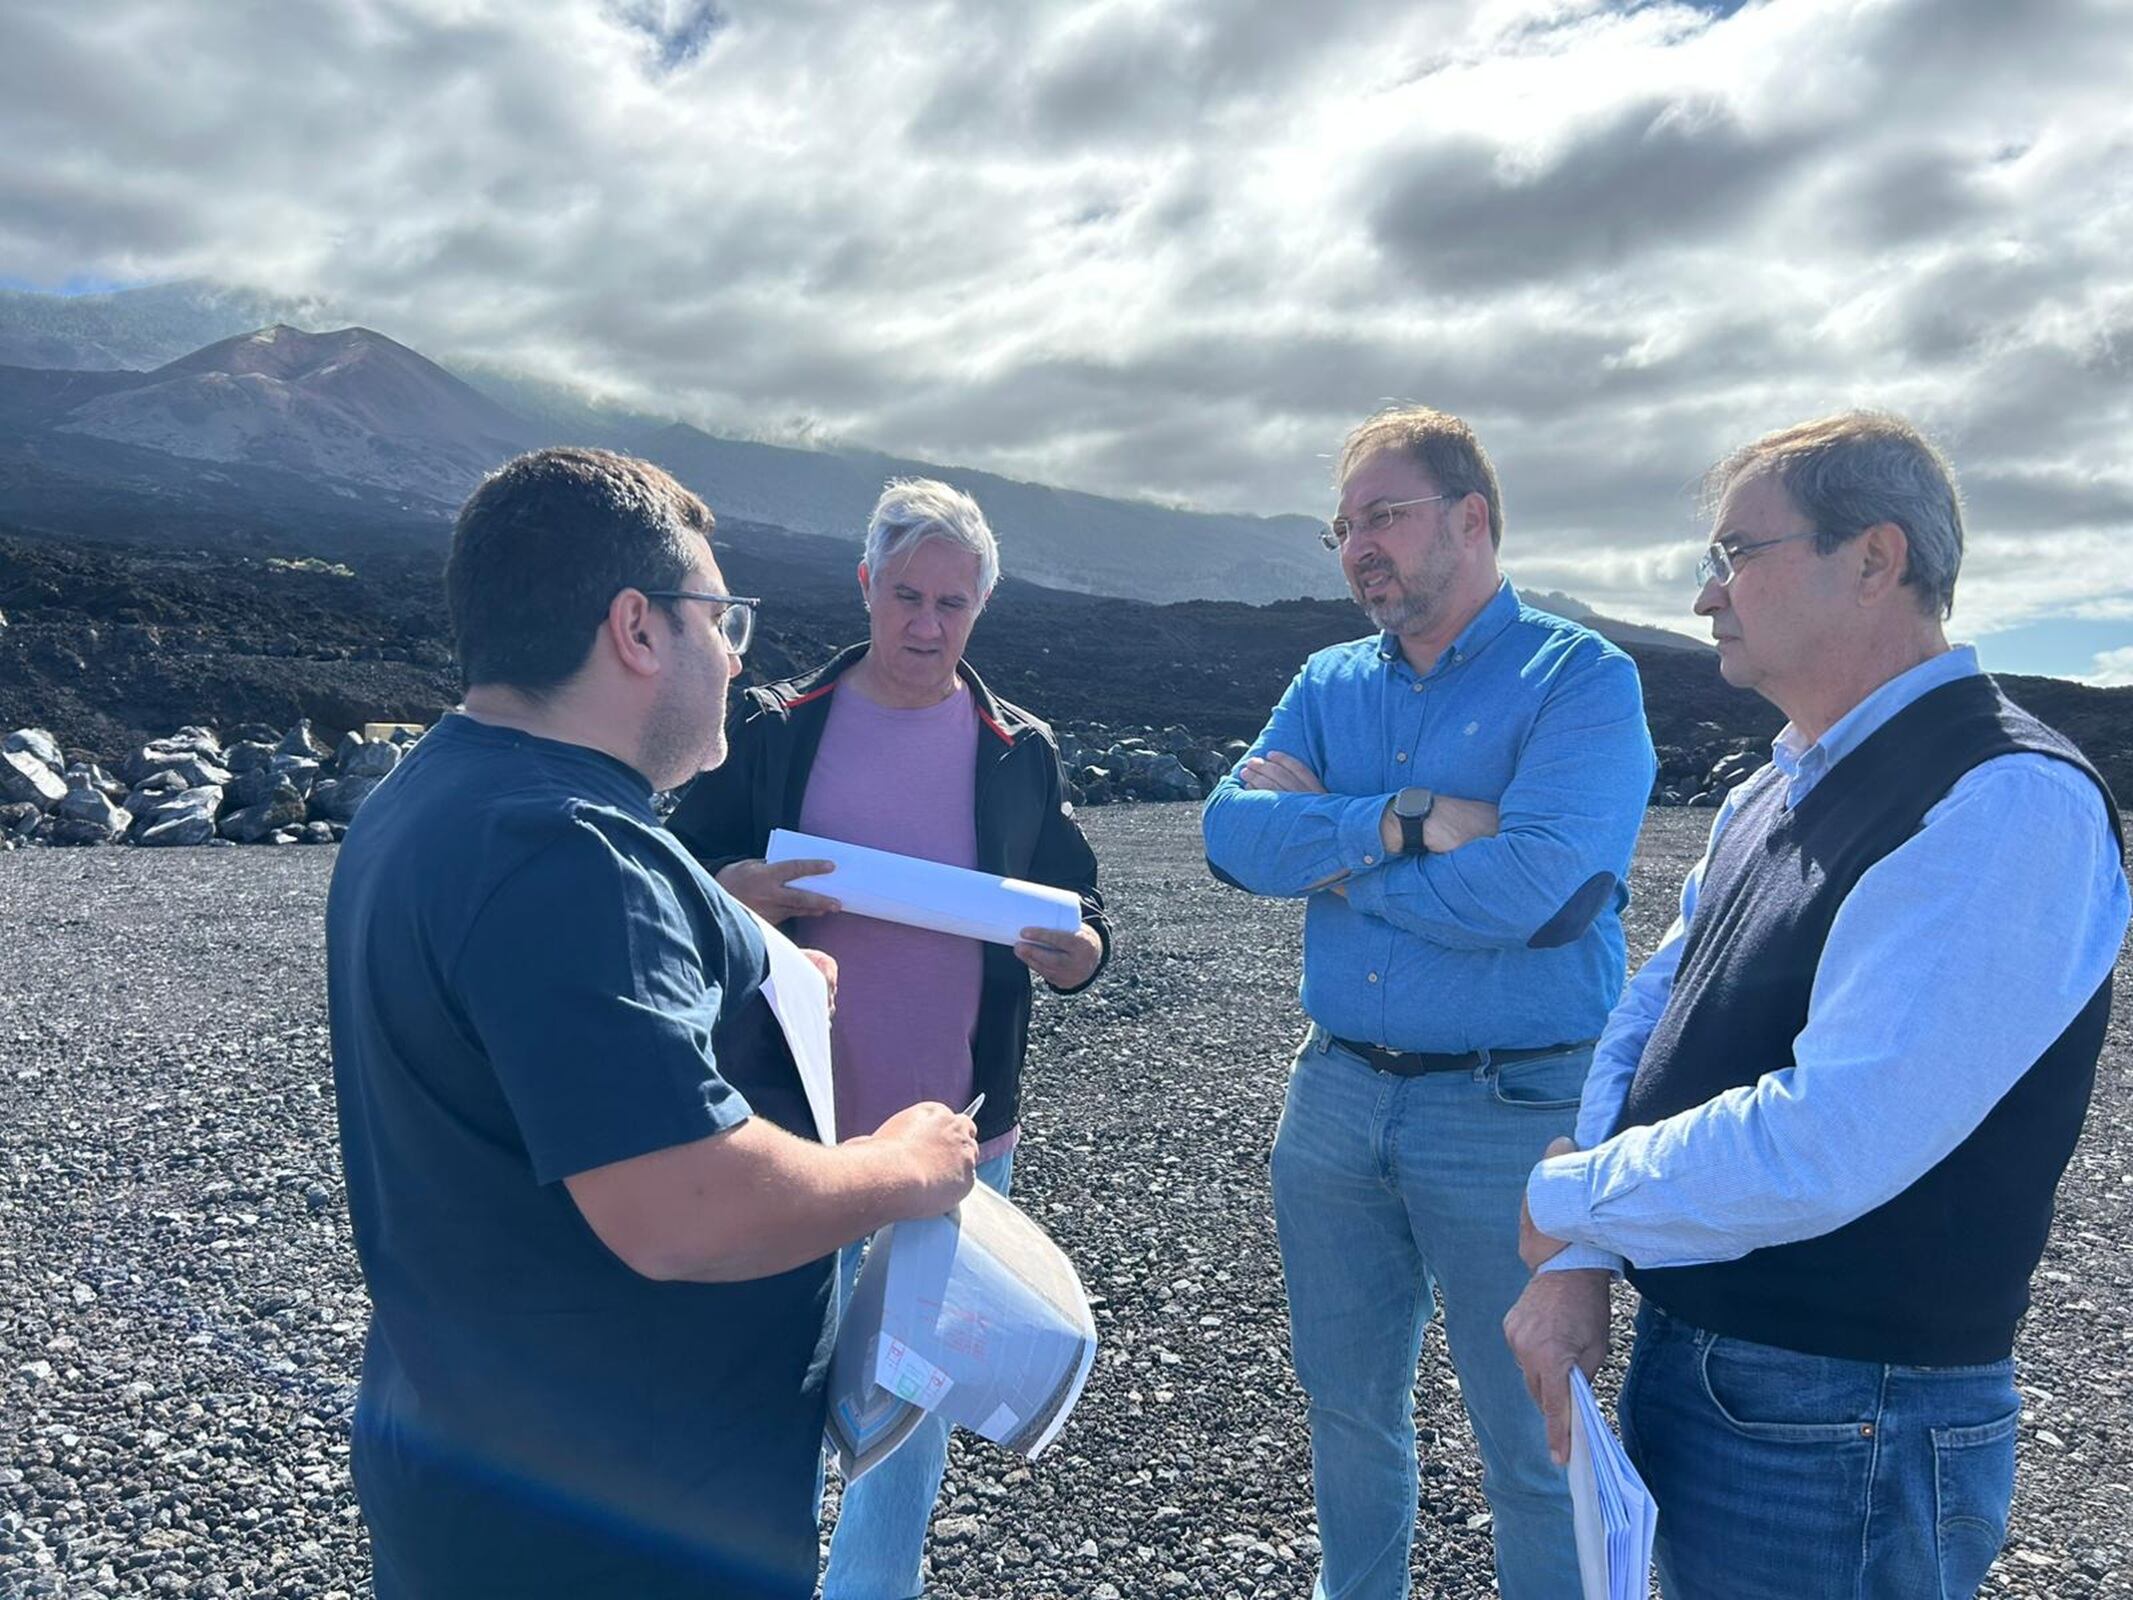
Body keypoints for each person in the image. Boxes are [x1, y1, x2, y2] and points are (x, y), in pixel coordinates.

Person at [327, 447, 979, 1600]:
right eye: (718, 617)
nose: (736, 654)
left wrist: (751, 968)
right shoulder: (566, 854)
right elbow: (682, 1206)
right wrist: (896, 1166)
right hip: (618, 1522)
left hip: (489, 1464)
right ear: (636, 628)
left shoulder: (437, 795)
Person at [1508, 412, 2129, 1600]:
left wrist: (1563, 1194)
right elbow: (1657, 1000)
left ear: (1876, 558)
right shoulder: (1781, 779)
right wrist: (1582, 1240)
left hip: (1854, 1412)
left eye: (1739, 551)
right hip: (1732, 1376)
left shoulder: (2006, 801)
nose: (1706, 595)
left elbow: (1829, 1139)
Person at [1200, 405, 1656, 1599]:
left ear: (1473, 517)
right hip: (1337, 1095)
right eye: (1344, 526)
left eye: (1383, 517)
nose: (1358, 547)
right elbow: (1229, 834)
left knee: (1534, 1437)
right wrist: (1397, 821)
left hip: (1513, 1108)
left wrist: (1335, 853)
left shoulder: (1581, 678)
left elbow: (1534, 889)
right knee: (1346, 1413)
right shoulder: (1326, 678)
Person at [667, 475, 1109, 1600]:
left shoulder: (1017, 747)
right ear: (865, 585)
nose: (925, 624)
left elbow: (1076, 900)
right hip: (787, 1126)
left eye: (951, 603)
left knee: (903, 1413)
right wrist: (741, 890)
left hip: (958, 1135)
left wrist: (1082, 954)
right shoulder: (773, 727)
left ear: (980, 609)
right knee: (765, 1379)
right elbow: (670, 881)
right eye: (905, 593)